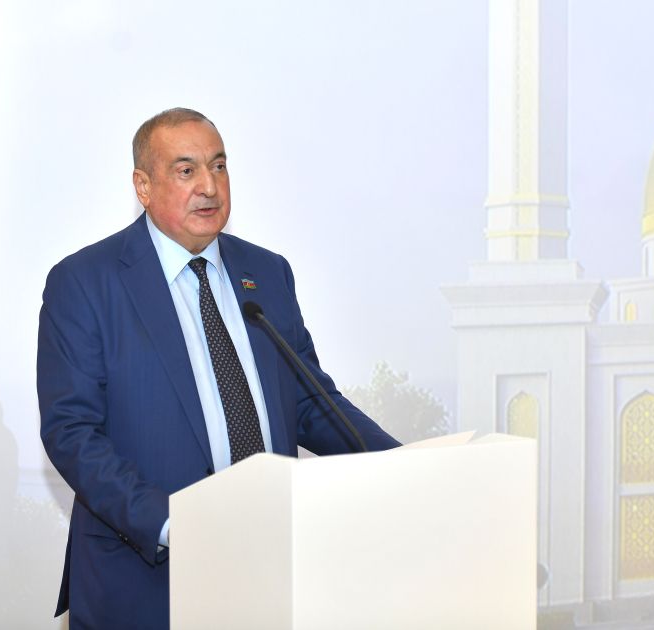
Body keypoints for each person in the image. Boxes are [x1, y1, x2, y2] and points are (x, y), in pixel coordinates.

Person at [37, 108, 400, 629]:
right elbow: (72, 432)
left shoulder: (267, 272)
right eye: (186, 170)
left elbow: (309, 401)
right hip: (147, 574)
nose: (209, 186)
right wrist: (172, 523)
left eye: (219, 166)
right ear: (143, 186)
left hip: (267, 564)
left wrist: (401, 464)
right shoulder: (85, 282)